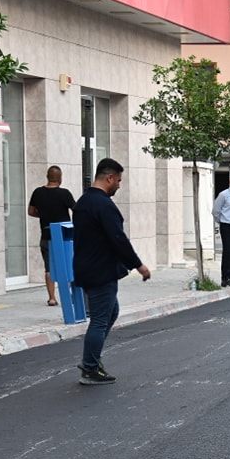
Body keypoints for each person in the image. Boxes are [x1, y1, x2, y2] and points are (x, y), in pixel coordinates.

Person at [71, 157, 151, 384]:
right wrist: (138, 264)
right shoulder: (104, 205)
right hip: (100, 271)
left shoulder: (83, 202)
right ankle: (89, 367)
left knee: (111, 312)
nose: (119, 185)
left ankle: (92, 359)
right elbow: (118, 239)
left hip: (87, 268)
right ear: (109, 178)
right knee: (99, 319)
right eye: (118, 180)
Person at [28, 165, 75, 307]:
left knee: (49, 267)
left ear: (47, 177)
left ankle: (52, 298)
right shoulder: (65, 194)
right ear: (60, 178)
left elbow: (31, 211)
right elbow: (76, 209)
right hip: (64, 236)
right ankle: (70, 295)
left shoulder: (38, 193)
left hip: (46, 235)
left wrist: (42, 215)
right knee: (69, 265)